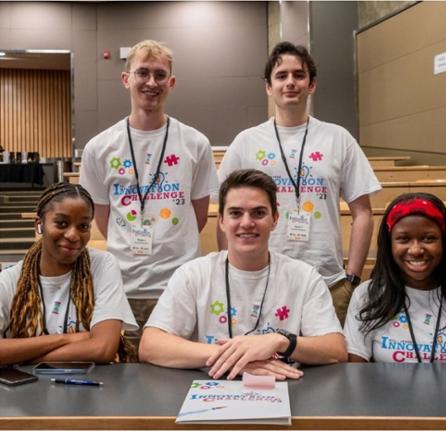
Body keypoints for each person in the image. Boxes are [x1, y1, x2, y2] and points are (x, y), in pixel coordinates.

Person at [218, 42, 381, 325]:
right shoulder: (246, 142)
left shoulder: (337, 138)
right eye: (281, 76)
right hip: (259, 280)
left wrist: (352, 278)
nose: (290, 82)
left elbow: (363, 213)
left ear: (312, 84)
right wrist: (228, 272)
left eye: (299, 75)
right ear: (269, 87)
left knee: (328, 364)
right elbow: (222, 214)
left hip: (327, 282)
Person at [139, 169, 346, 380]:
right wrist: (234, 359)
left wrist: (280, 340)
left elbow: (335, 349)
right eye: (235, 213)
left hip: (284, 389)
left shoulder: (304, 277)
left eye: (258, 213)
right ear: (221, 221)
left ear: (275, 219)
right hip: (211, 390)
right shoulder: (193, 274)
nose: (246, 223)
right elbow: (150, 345)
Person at [78, 39, 218, 325]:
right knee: (125, 369)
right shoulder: (99, 147)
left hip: (181, 283)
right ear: (126, 78)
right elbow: (102, 220)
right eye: (143, 73)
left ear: (172, 82)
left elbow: (199, 214)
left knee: (179, 366)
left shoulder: (195, 143)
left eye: (160, 74)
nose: (151, 82)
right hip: (123, 286)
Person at [0, 183, 137, 365]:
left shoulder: (102, 265)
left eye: (83, 226)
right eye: (61, 223)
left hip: (92, 387)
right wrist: (67, 339)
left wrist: (20, 357)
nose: (73, 235)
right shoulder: (10, 280)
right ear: (39, 225)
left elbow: (103, 348)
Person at [343, 193, 446, 363]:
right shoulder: (368, 295)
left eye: (429, 238)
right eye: (403, 239)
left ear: (444, 242)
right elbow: (354, 374)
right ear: (389, 244)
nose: (416, 250)